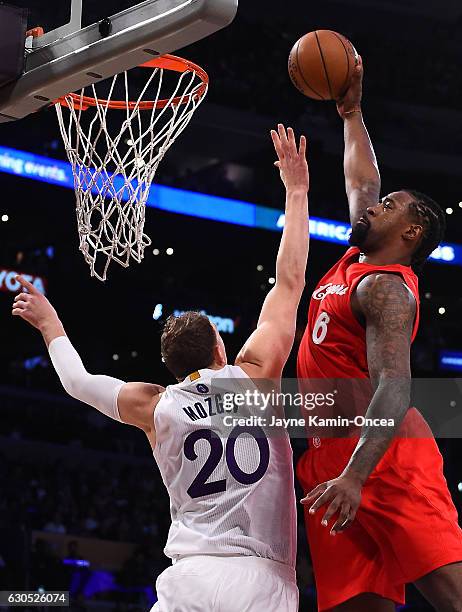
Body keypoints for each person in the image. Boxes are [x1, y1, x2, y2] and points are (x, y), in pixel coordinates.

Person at [12, 125, 309, 612]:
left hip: (188, 577)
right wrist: (296, 191)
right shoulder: (255, 375)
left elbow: (77, 381)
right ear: (221, 345)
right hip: (259, 577)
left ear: (170, 368)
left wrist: (50, 324)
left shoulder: (154, 405)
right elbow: (289, 280)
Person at [296, 56, 462, 612]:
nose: (373, 205)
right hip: (329, 455)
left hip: (383, 457)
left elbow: (395, 387)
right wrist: (351, 112)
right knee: (357, 605)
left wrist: (355, 476)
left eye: (388, 207)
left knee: (451, 593)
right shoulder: (354, 260)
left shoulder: (388, 287)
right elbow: (362, 178)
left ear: (410, 233)